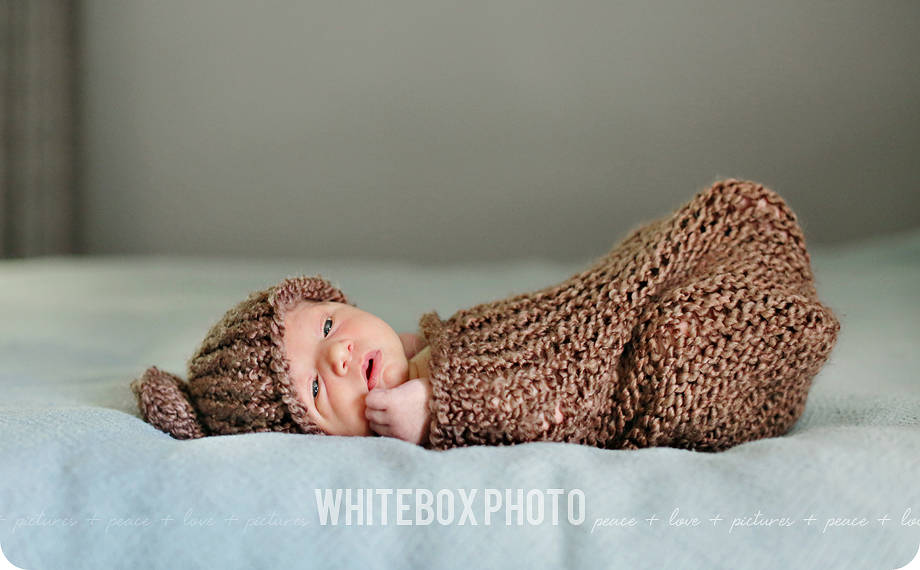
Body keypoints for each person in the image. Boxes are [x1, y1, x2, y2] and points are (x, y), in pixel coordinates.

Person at [132, 179, 840, 451]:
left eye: (325, 327)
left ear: (339, 300)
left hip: (605, 316)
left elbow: (558, 316)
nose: (341, 355)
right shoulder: (428, 399)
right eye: (317, 389)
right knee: (683, 333)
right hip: (637, 372)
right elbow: (543, 395)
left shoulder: (432, 344)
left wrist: (427, 351)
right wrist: (436, 410)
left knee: (656, 257)